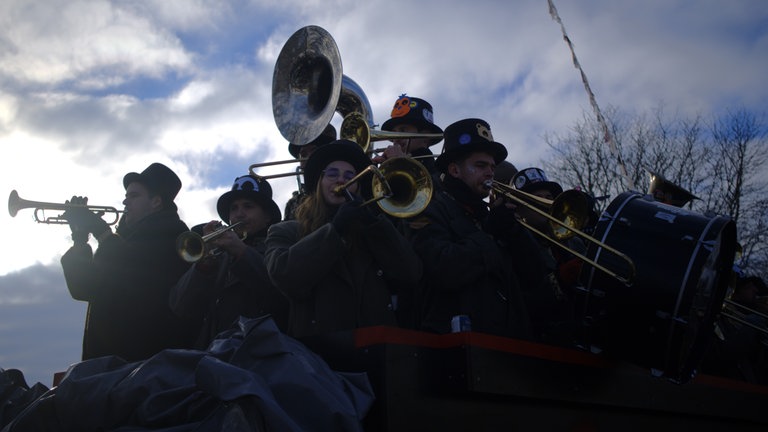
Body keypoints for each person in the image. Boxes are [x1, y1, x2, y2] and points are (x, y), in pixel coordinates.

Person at [265, 140, 422, 338]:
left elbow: (411, 273)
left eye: (350, 176)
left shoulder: (371, 231)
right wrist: (335, 229)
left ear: (357, 186)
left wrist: (374, 225)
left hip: (377, 347)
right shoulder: (285, 231)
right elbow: (285, 277)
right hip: (318, 351)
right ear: (319, 182)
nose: (341, 180)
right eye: (332, 174)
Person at [407, 118, 547, 338]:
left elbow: (536, 277)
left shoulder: (486, 214)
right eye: (481, 166)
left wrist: (515, 233)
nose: (490, 173)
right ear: (455, 170)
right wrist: (489, 235)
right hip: (457, 344)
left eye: (492, 167)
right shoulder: (428, 209)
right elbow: (442, 269)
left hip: (508, 341)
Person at [60, 162, 197, 362]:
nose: (125, 202)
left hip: (144, 361)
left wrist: (103, 232)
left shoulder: (174, 236)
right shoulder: (122, 240)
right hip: (105, 361)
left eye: (134, 196)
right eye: (126, 196)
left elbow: (136, 272)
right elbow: (85, 289)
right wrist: (79, 239)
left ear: (156, 202)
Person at [170, 174, 289, 348]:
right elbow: (180, 306)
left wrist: (242, 253)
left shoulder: (279, 247)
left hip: (263, 350)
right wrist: (203, 266)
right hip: (215, 351)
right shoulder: (220, 254)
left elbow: (281, 294)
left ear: (267, 216)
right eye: (234, 208)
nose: (239, 214)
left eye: (248, 206)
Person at [510, 167, 585, 344]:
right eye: (536, 198)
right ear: (519, 208)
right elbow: (521, 304)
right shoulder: (513, 246)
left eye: (549, 197)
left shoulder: (574, 241)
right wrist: (559, 281)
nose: (545, 203)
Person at [373, 94, 443, 180]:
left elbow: (433, 186)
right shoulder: (390, 166)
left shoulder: (438, 170)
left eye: (403, 130)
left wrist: (402, 164)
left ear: (425, 137)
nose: (396, 139)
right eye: (393, 133)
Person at [283, 124, 337, 220]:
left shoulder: (346, 186)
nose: (308, 158)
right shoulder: (294, 203)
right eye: (303, 155)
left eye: (314, 151)